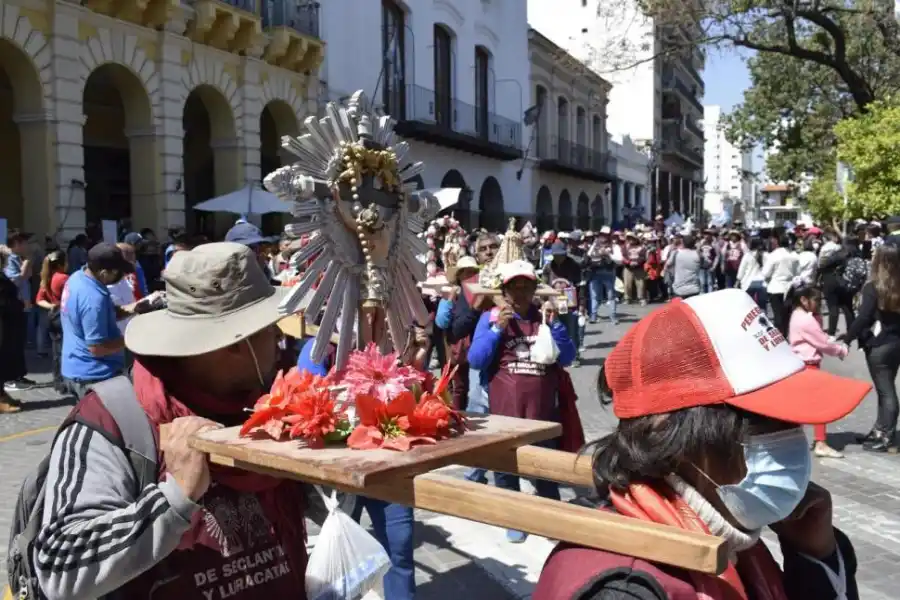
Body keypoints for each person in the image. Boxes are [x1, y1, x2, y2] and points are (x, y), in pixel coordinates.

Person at [534, 288, 868, 600]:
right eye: (762, 425)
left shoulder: (731, 540)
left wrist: (816, 555)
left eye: (793, 423)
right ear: (671, 439)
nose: (792, 443)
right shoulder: (627, 589)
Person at [34, 242, 309, 599]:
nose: (280, 337)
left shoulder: (266, 402)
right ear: (236, 343)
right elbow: (60, 567)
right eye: (269, 328)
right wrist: (175, 497)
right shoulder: (113, 420)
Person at [469, 260, 576, 543]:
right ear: (504, 291)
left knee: (546, 471)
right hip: (505, 416)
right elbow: (476, 360)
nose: (520, 294)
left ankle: (550, 519)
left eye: (526, 287)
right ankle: (513, 519)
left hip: (543, 416)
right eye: (514, 288)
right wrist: (496, 330)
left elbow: (567, 357)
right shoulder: (492, 317)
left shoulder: (545, 317)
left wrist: (555, 327)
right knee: (506, 471)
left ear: (534, 289)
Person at [841, 239, 900, 453]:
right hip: (895, 343)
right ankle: (879, 429)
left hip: (879, 346)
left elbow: (863, 317)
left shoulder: (873, 287)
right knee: (886, 390)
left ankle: (886, 436)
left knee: (886, 391)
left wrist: (847, 338)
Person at [61, 243, 140, 399]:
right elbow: (97, 348)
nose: (122, 276)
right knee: (108, 422)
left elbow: (104, 315)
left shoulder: (78, 277)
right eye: (118, 272)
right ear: (103, 272)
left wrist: (135, 307)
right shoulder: (93, 300)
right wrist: (132, 339)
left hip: (76, 367)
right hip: (95, 375)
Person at [786, 282, 848, 458]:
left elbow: (818, 336)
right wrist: (841, 350)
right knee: (820, 405)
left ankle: (795, 440)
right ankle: (820, 443)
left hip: (802, 364)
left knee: (804, 405)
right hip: (809, 365)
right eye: (817, 299)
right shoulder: (806, 319)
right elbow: (821, 342)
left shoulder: (798, 315)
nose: (820, 303)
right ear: (804, 300)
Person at [35, 251, 69, 394]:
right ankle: (65, 382)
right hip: (64, 316)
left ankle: (57, 381)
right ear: (62, 264)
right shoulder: (64, 278)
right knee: (65, 350)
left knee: (56, 351)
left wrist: (52, 306)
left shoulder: (46, 278)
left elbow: (39, 300)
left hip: (53, 316)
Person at [543, 241, 582, 363]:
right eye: (556, 255)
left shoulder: (574, 266)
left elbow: (581, 286)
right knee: (555, 329)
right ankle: (557, 356)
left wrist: (582, 305)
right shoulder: (548, 267)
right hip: (553, 304)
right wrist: (543, 302)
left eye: (560, 255)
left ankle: (575, 356)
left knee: (572, 331)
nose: (558, 257)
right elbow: (544, 285)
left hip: (571, 304)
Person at [818, 232, 855, 336]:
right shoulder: (855, 252)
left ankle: (831, 333)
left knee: (833, 307)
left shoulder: (839, 253)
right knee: (847, 307)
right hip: (847, 281)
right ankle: (852, 331)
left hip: (831, 280)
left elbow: (822, 265)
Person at [762, 233, 799, 335]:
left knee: (777, 314)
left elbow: (765, 273)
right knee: (786, 314)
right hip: (789, 287)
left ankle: (779, 336)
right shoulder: (794, 255)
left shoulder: (773, 255)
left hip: (775, 288)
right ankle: (785, 334)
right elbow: (797, 273)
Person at [586, 227, 621, 324]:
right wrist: (595, 248)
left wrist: (609, 254)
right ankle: (593, 316)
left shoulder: (614, 246)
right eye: (602, 234)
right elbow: (588, 255)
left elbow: (619, 260)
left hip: (609, 273)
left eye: (606, 235)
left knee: (611, 296)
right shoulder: (594, 245)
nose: (603, 237)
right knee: (595, 296)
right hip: (595, 273)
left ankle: (613, 317)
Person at [666, 234, 702, 300]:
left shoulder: (676, 253)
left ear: (683, 243)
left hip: (679, 289)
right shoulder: (698, 254)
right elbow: (706, 263)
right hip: (694, 288)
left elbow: (668, 264)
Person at [737, 237, 768, 311]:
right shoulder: (766, 255)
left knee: (748, 305)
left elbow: (742, 270)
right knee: (762, 306)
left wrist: (738, 280)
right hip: (763, 282)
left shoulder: (747, 255)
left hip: (748, 282)